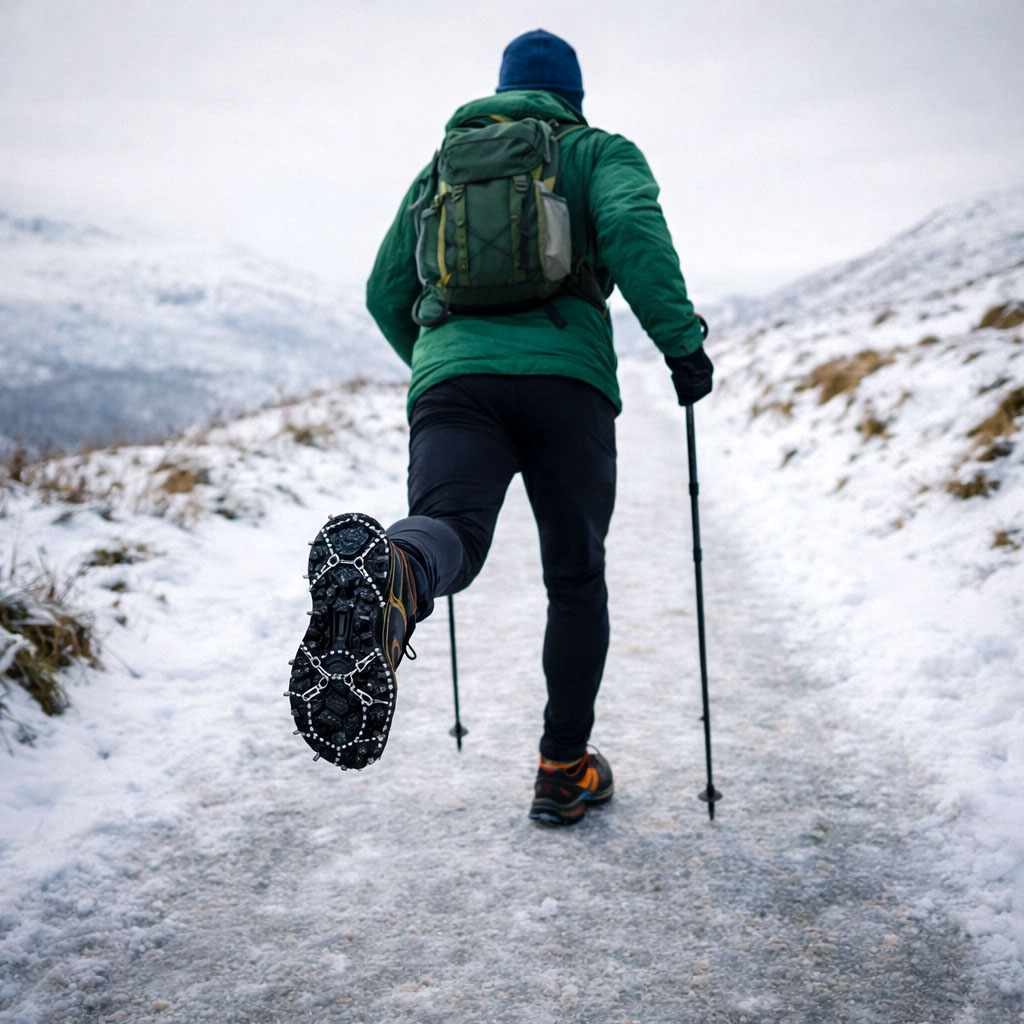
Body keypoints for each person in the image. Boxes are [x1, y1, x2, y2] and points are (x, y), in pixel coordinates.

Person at [286, 28, 713, 825]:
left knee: (448, 529)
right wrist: (682, 347)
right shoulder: (594, 150)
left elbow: (385, 289)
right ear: (571, 97)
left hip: (456, 386)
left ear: (502, 91)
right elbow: (633, 232)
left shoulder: (441, 167)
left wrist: (442, 361)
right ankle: (563, 769)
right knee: (575, 576)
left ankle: (397, 573)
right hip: (568, 386)